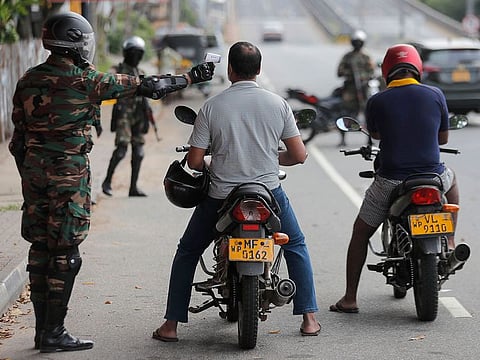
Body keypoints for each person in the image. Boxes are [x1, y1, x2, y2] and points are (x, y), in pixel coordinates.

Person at [8, 11, 213, 353]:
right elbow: (151, 86)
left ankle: (42, 330)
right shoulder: (87, 81)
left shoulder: (28, 79)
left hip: (33, 174)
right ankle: (53, 333)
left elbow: (16, 141)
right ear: (76, 43)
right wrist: (190, 78)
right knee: (66, 250)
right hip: (68, 176)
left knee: (39, 249)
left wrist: (31, 173)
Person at [153, 41, 321, 342]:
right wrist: (271, 158)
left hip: (221, 197)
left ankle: (171, 325)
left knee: (188, 251)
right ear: (258, 70)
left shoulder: (212, 107)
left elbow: (193, 161)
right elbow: (298, 155)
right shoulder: (278, 105)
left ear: (230, 70)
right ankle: (309, 318)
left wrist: (213, 160)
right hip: (268, 193)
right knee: (295, 244)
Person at [329, 44, 459, 314]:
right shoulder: (435, 94)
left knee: (361, 233)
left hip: (392, 180)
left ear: (387, 71)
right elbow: (443, 139)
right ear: (418, 68)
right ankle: (449, 240)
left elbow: (375, 136)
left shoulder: (377, 100)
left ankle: (350, 298)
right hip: (433, 176)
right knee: (453, 181)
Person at [102, 36, 154, 197]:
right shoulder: (117, 70)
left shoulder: (141, 73)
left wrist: (148, 116)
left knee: (138, 152)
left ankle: (133, 187)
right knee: (121, 150)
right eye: (133, 53)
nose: (136, 57)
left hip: (138, 115)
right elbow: (107, 84)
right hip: (124, 114)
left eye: (139, 54)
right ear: (126, 53)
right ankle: (107, 181)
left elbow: (147, 97)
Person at [337, 30, 374, 146]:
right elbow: (339, 72)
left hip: (364, 89)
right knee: (345, 113)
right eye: (356, 42)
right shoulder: (347, 57)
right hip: (350, 89)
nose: (357, 44)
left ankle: (370, 140)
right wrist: (350, 73)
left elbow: (372, 72)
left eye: (359, 42)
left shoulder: (366, 57)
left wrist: (363, 77)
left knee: (369, 114)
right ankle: (343, 139)